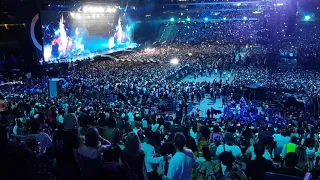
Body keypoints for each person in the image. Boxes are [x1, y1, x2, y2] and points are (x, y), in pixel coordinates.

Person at [53, 114, 80, 180]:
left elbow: (54, 148)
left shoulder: (56, 133)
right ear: (73, 123)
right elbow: (76, 155)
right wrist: (79, 166)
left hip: (59, 163)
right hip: (69, 166)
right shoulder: (73, 137)